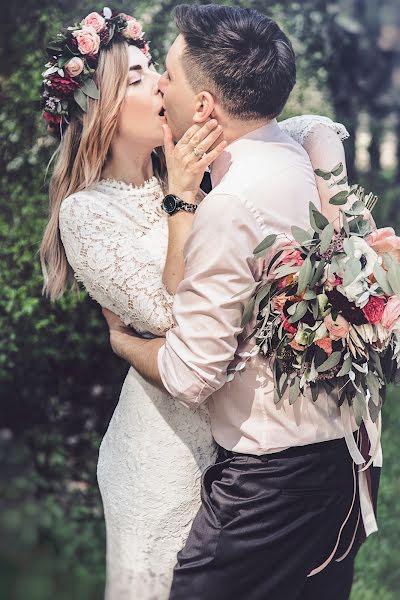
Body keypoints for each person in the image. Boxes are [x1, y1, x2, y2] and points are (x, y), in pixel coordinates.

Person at [102, 5, 381, 600]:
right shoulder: (299, 152)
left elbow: (191, 371)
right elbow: (320, 130)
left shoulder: (230, 205)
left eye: (168, 77)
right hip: (346, 461)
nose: (159, 87)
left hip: (271, 487)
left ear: (204, 106)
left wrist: (121, 340)